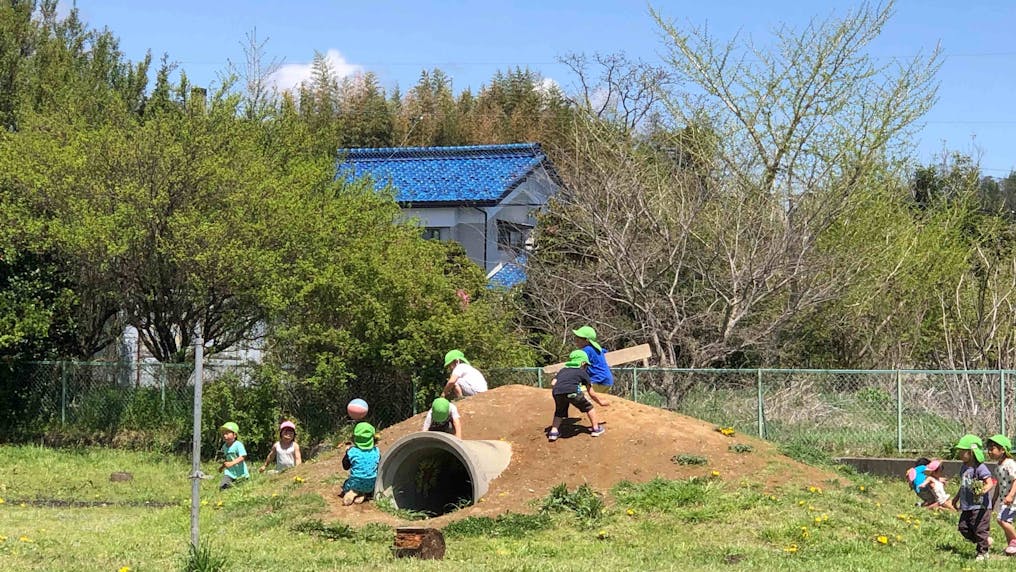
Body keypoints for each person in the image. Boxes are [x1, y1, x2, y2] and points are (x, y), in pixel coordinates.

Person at [547, 349, 609, 442]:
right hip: (572, 392)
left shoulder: (563, 370)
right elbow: (591, 392)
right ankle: (596, 429)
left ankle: (553, 432)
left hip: (557, 392)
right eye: (586, 365)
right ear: (583, 363)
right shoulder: (582, 373)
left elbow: (553, 383)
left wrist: (562, 387)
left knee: (559, 411)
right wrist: (600, 402)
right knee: (589, 407)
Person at [951, 434, 995, 561]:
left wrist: (983, 491)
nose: (959, 454)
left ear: (971, 452)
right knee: (963, 527)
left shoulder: (980, 468)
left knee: (980, 529)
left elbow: (990, 482)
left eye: (962, 451)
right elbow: (963, 485)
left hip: (980, 506)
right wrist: (956, 498)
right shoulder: (964, 467)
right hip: (967, 505)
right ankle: (984, 541)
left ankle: (982, 552)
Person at [987, 434, 1016, 555]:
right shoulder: (998, 467)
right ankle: (1012, 548)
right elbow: (998, 484)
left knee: (1002, 520)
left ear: (1002, 450)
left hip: (1013, 498)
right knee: (1005, 522)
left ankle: (1014, 541)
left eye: (992, 448)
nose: (989, 451)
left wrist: (1010, 495)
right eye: (988, 448)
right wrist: (993, 500)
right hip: (1005, 499)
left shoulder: (1010, 463)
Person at [341, 422, 380, 506]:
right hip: (371, 483)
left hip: (356, 482)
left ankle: (352, 492)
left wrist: (347, 452)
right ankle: (363, 494)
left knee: (346, 484)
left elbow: (345, 466)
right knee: (366, 481)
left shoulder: (352, 452)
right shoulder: (376, 451)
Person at [572, 326, 614, 394]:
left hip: (598, 380)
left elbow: (577, 365)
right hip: (607, 381)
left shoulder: (587, 350)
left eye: (578, 340)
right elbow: (604, 351)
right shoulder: (598, 349)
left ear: (587, 340)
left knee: (575, 392)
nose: (576, 342)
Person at [218, 421, 249, 490]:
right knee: (223, 487)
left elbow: (242, 456)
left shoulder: (238, 445)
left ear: (234, 435)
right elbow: (227, 459)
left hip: (241, 473)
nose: (224, 435)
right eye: (223, 434)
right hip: (230, 472)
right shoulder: (224, 446)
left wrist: (232, 463)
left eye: (227, 433)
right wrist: (222, 467)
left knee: (240, 489)